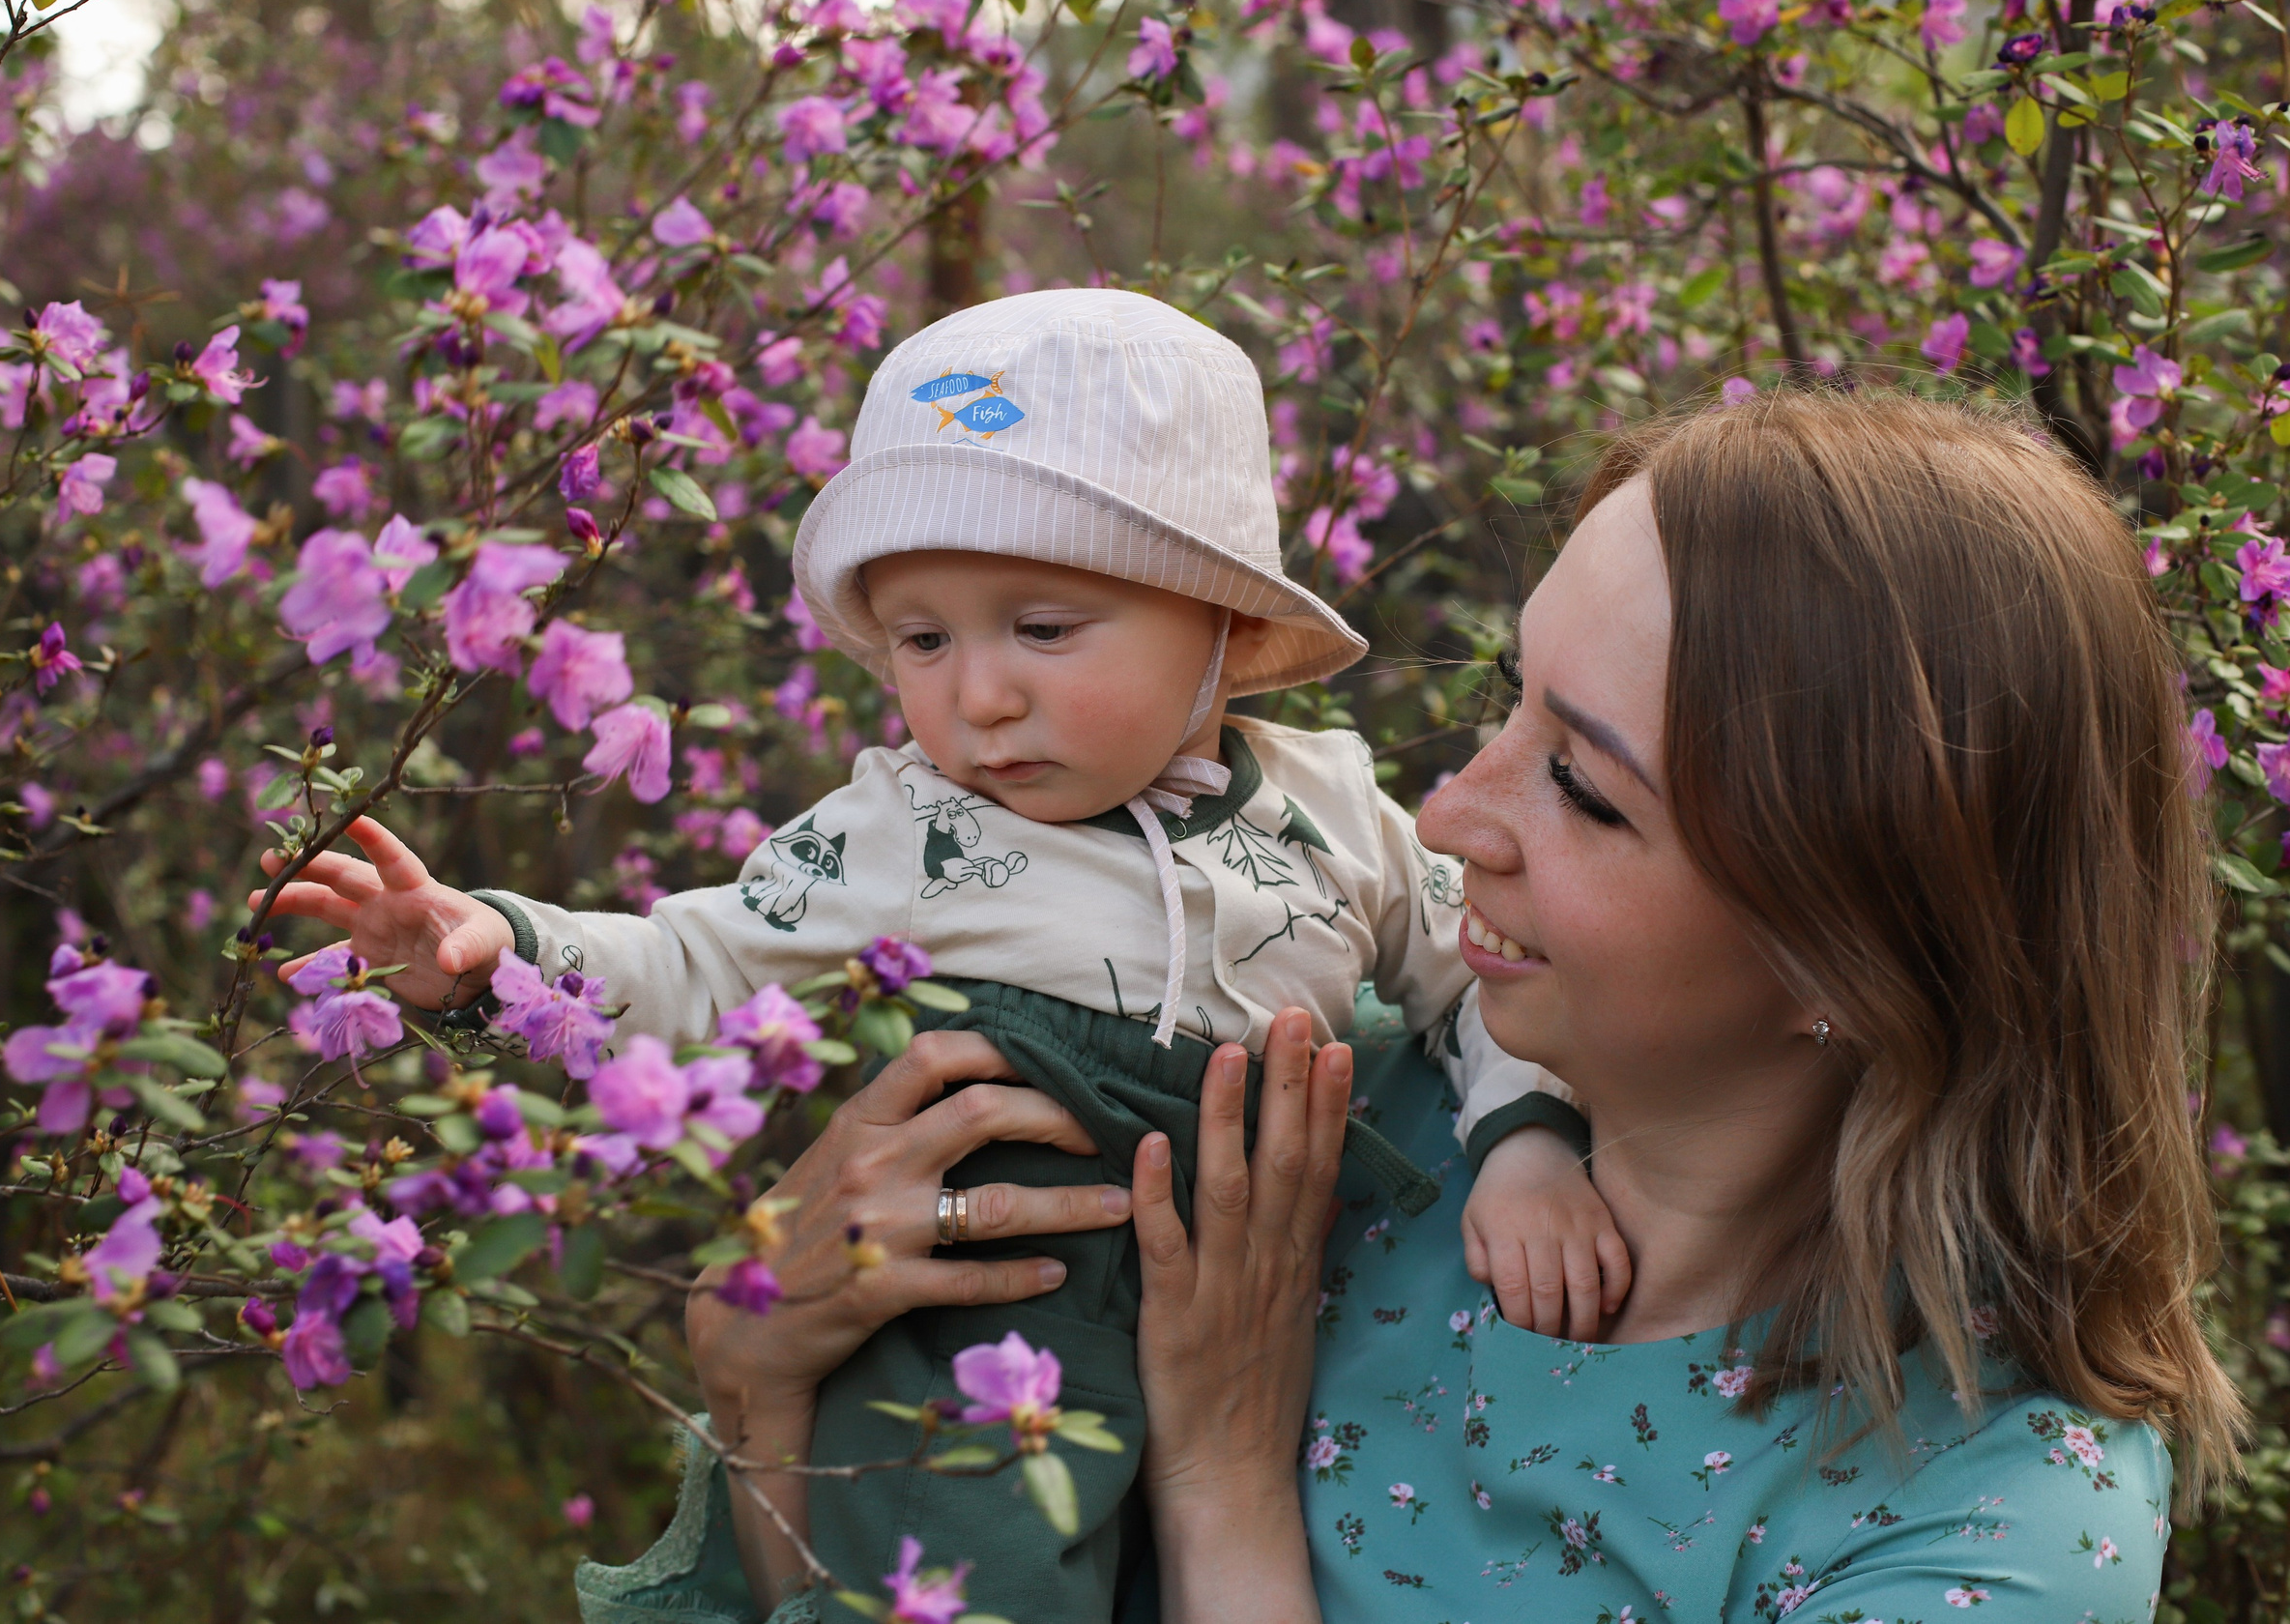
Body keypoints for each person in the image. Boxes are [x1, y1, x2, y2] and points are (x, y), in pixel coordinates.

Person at [605, 388, 2242, 1624]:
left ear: (1853, 943)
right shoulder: (1304, 1116)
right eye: (1506, 704)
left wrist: (1227, 1486)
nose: (1452, 815)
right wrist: (760, 1388)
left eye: (1587, 792)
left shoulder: (1980, 1533)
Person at [251, 288, 1612, 1623]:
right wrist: (498, 955)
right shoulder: (903, 831)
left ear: (1230, 629)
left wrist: (1530, 1143)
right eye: (924, 637)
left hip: (1257, 1331)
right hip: (984, 1330)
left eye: (1043, 627)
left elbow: (1473, 979)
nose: (980, 695)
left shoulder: (1335, 811)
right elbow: (697, 964)